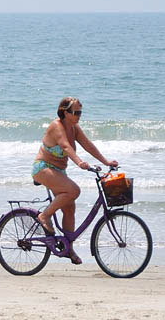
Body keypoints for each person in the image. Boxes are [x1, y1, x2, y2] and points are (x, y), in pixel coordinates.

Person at [30, 97, 118, 264]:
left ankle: (68, 248)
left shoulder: (74, 128)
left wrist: (106, 162)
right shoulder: (57, 126)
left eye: (80, 112)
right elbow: (65, 146)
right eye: (75, 112)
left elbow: (88, 145)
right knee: (74, 190)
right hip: (43, 168)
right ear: (65, 112)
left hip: (58, 171)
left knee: (70, 209)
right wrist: (79, 162)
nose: (79, 116)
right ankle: (44, 216)